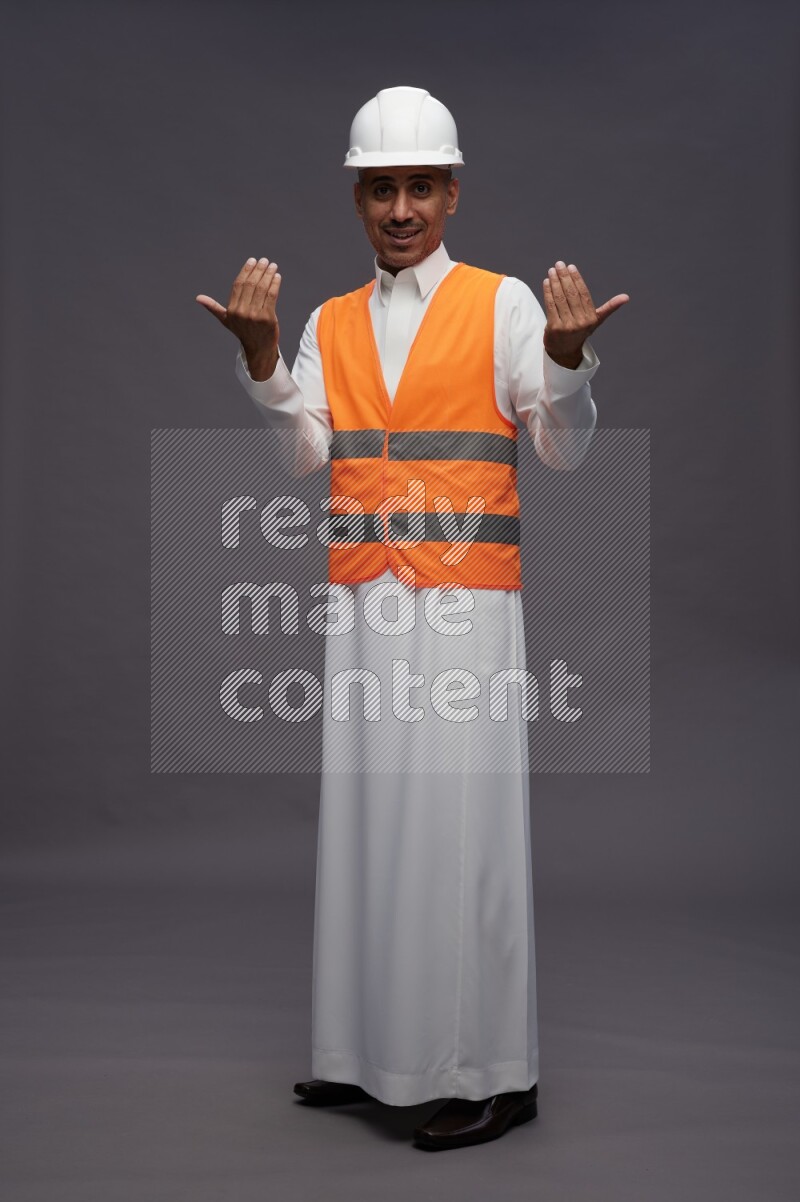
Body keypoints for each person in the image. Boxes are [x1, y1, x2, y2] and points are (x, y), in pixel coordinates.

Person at [197, 86, 629, 1151]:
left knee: (460, 837)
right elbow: (306, 449)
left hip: (463, 612)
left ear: (450, 192)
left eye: (419, 186)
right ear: (357, 198)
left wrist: (568, 366)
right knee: (365, 828)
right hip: (362, 601)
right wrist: (259, 359)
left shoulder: (503, 305)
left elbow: (562, 447)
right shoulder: (329, 321)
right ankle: (363, 1054)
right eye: (380, 187)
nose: (400, 207)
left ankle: (494, 1071)